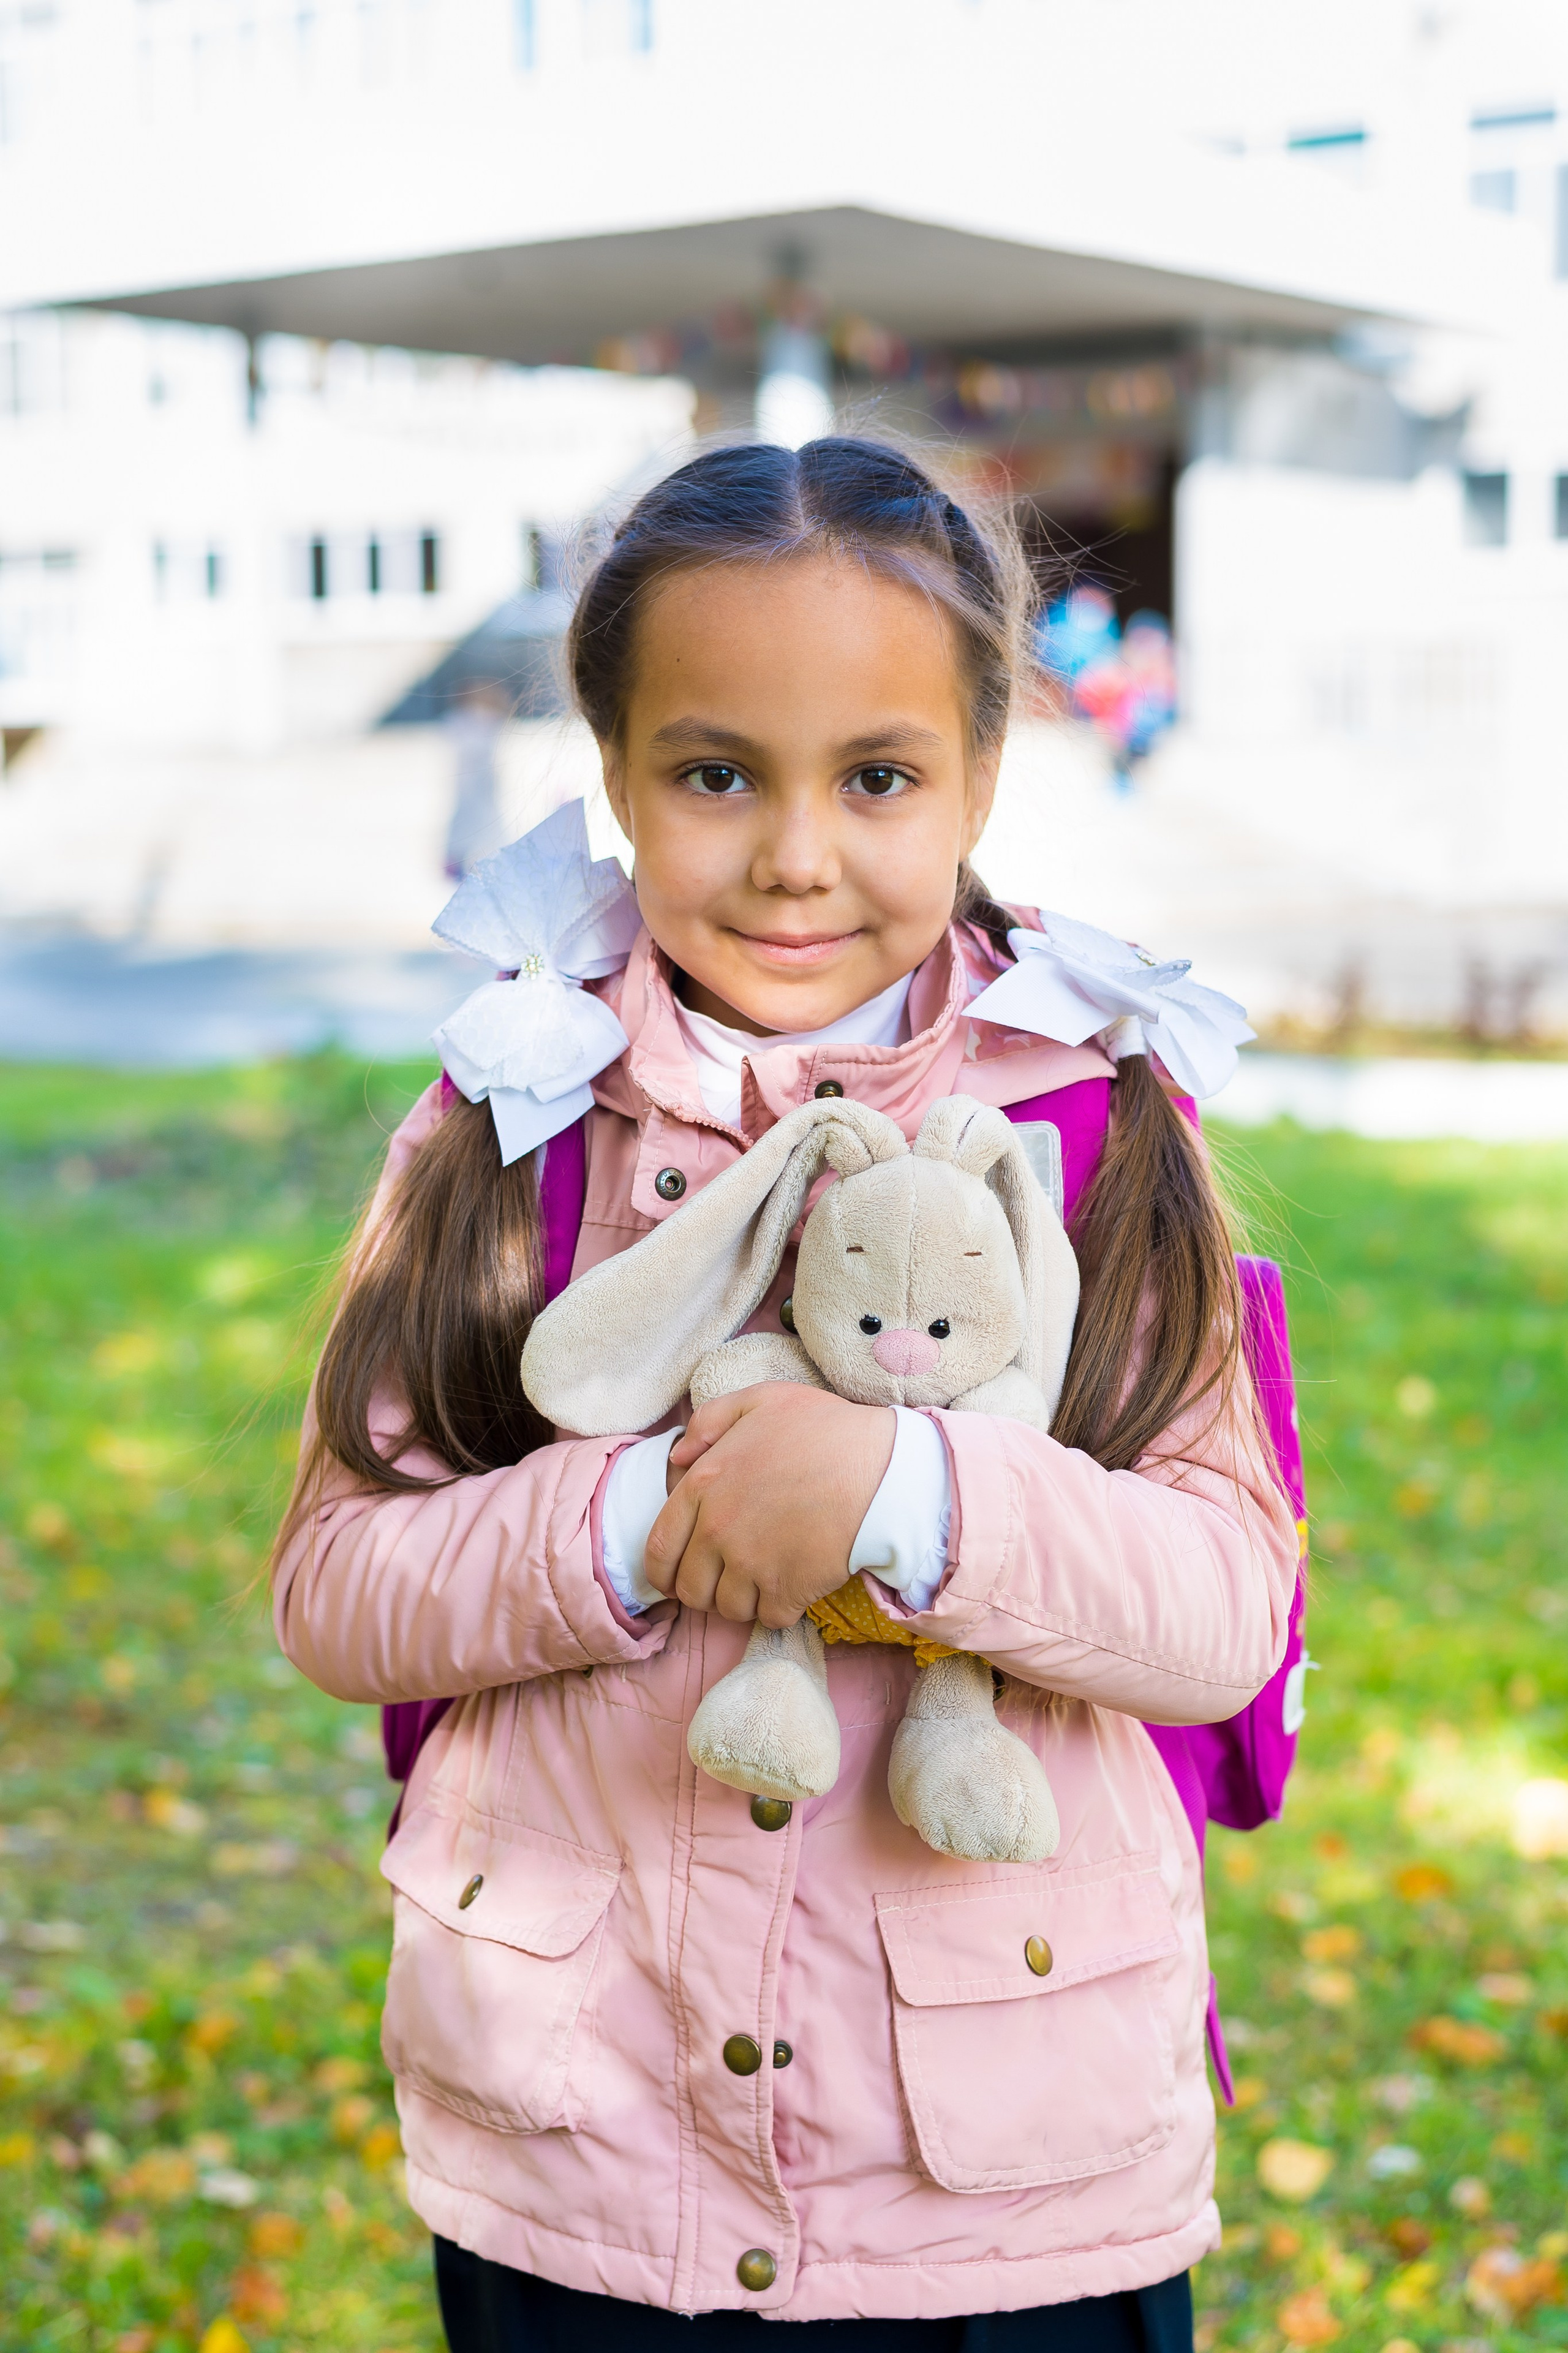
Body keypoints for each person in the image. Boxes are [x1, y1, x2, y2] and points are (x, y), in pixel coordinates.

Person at [273, 439, 1297, 2351]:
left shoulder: (1093, 1127)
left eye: (881, 777)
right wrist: (639, 1515)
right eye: (718, 771)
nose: (798, 852)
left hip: (1002, 2191)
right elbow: (338, 1581)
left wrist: (905, 1501)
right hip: (592, 2168)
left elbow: (1224, 1611)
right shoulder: (512, 1123)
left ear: (982, 777)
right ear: (620, 776)